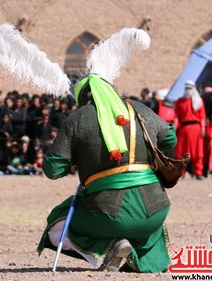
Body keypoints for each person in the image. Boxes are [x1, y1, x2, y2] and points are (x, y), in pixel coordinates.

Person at [37, 28, 176, 273]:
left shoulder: (77, 119)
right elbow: (170, 137)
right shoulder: (140, 110)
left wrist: (78, 155)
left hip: (108, 212)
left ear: (83, 97)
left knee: (57, 223)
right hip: (156, 208)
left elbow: (53, 169)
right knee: (144, 221)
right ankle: (135, 256)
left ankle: (112, 248)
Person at [174, 80, 206, 179]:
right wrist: (174, 128)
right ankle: (181, 173)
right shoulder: (180, 101)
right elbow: (176, 117)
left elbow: (202, 117)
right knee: (181, 153)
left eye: (190, 88)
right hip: (183, 129)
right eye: (186, 88)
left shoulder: (199, 101)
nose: (188, 90)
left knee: (197, 152)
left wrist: (203, 128)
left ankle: (198, 173)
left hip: (196, 129)